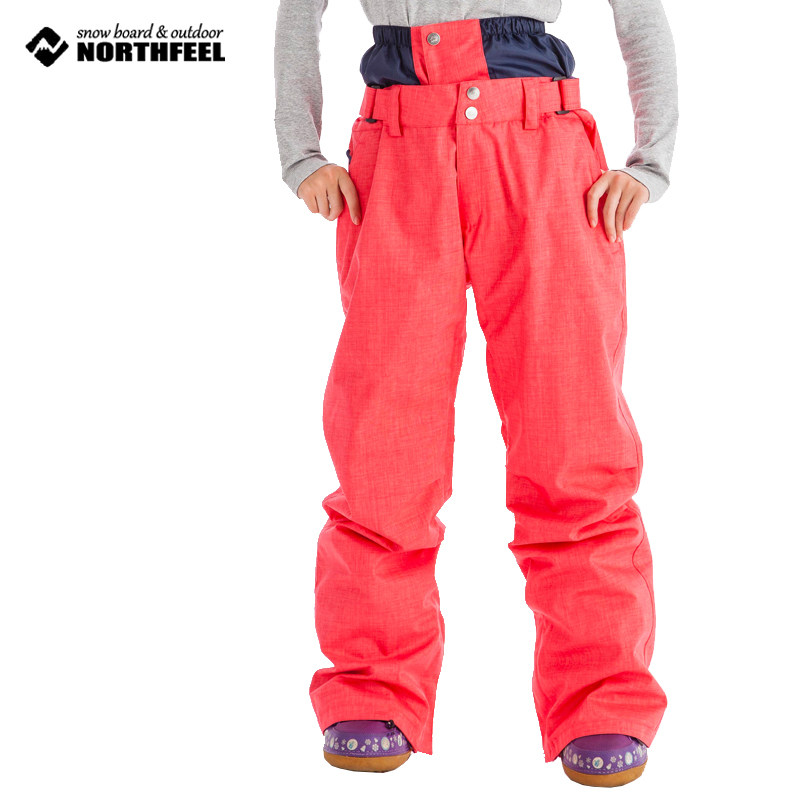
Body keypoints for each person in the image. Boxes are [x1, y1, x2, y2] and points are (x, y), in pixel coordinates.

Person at [274, 0, 678, 788]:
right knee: (381, 445)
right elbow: (298, 15)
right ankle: (372, 687)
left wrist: (648, 161)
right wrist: (302, 152)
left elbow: (640, 16)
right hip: (396, 153)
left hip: (542, 154)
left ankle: (601, 699)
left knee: (573, 441)